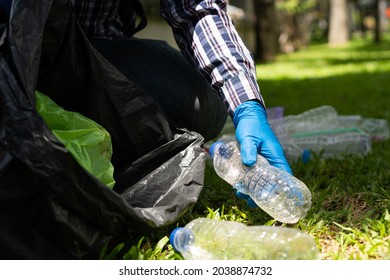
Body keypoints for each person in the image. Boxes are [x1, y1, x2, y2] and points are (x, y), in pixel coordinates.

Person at [1, 0, 292, 200]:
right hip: (9, 50)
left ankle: (80, 128)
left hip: (96, 50)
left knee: (205, 106)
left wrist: (247, 106)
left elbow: (195, 8)